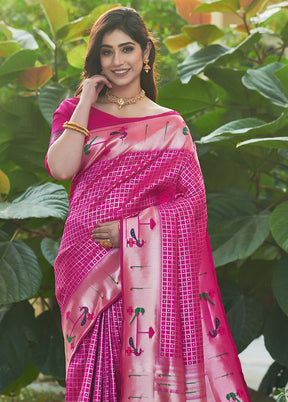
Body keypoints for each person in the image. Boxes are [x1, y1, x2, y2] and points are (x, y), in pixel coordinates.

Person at [45, 7, 251, 402]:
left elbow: (192, 206)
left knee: (138, 367)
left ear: (145, 54)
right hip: (85, 261)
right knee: (90, 367)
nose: (117, 61)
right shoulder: (74, 113)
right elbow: (61, 168)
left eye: (127, 49)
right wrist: (87, 97)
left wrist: (132, 231)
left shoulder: (170, 126)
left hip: (144, 265)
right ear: (97, 58)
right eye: (107, 52)